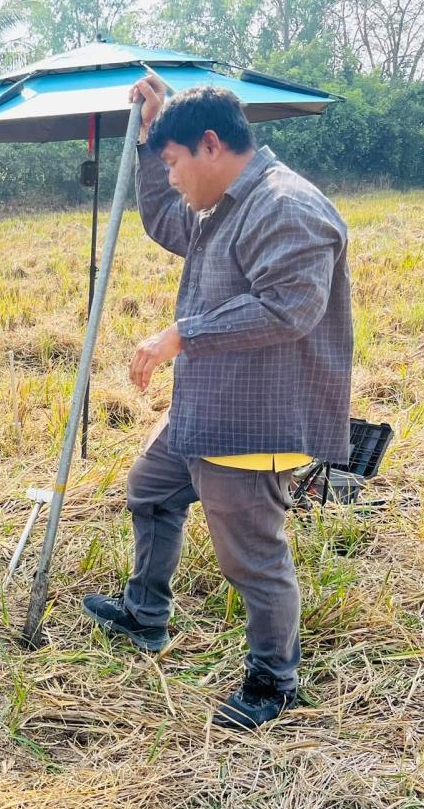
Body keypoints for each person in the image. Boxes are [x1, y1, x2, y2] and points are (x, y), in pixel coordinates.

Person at [81, 76, 352, 731]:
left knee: (252, 559)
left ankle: (273, 681)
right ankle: (146, 613)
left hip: (256, 416)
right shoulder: (225, 201)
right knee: (150, 489)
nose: (170, 177)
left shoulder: (285, 205)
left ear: (210, 145)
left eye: (173, 162)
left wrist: (182, 333)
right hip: (206, 405)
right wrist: (151, 138)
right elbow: (168, 222)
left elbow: (291, 306)